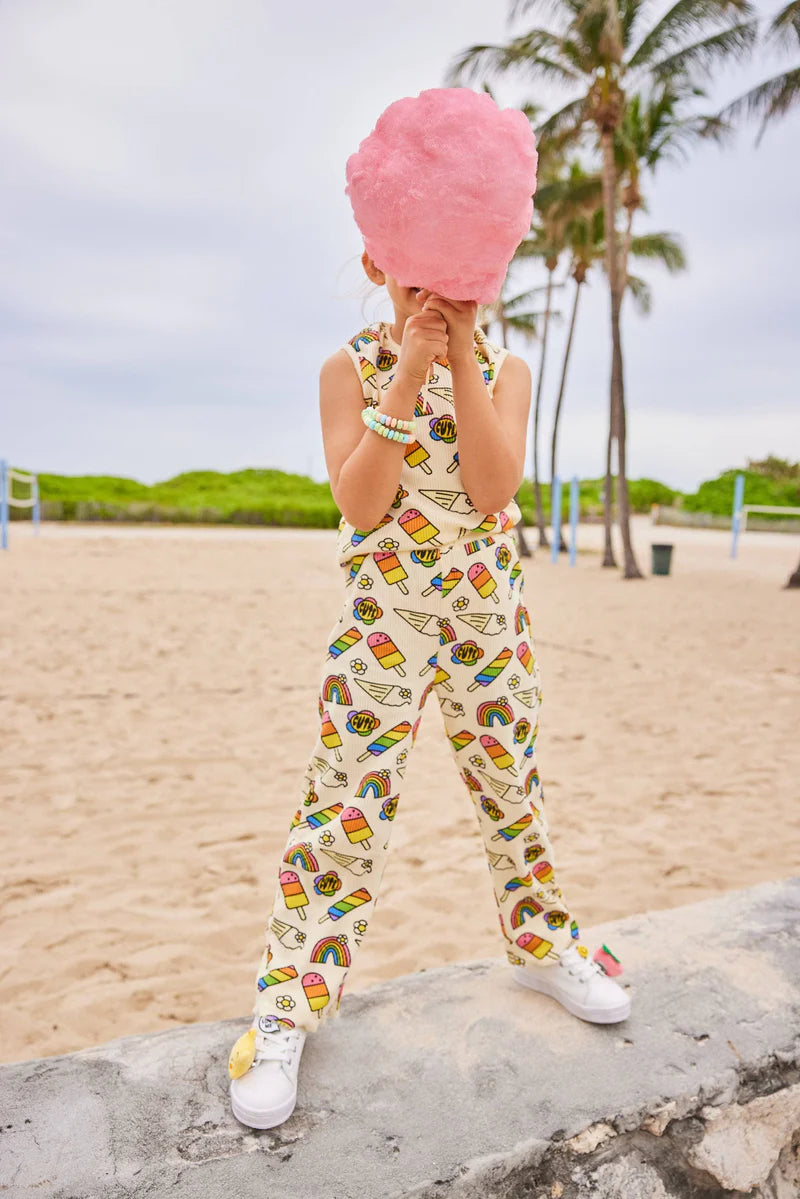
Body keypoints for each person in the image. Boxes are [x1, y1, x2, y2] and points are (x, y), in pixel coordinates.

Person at [228, 257, 631, 1131]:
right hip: (384, 621)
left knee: (511, 789)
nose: (437, 301)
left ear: (489, 271)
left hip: (487, 614)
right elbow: (362, 501)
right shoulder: (349, 367)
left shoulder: (507, 370)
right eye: (415, 282)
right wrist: (407, 374)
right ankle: (290, 1003)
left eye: (459, 284)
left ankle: (542, 941)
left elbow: (492, 486)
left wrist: (457, 367)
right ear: (378, 264)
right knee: (344, 804)